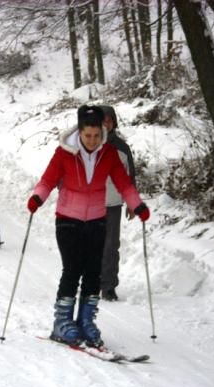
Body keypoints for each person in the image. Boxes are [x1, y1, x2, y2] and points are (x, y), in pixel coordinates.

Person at [27, 105, 150, 348]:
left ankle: (85, 321)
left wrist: (138, 205)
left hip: (96, 219)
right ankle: (62, 323)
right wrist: (37, 198)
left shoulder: (109, 153)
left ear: (102, 131)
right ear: (80, 132)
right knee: (73, 269)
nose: (92, 140)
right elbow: (48, 180)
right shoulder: (64, 153)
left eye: (96, 135)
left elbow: (124, 184)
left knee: (94, 272)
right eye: (87, 135)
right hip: (68, 219)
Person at [99, 105, 137, 302]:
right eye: (102, 120)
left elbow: (130, 176)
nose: (106, 124)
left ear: (114, 123)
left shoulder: (122, 148)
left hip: (112, 204)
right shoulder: (86, 143)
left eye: (109, 120)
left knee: (111, 246)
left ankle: (108, 286)